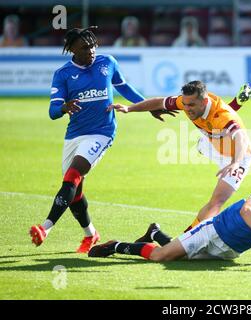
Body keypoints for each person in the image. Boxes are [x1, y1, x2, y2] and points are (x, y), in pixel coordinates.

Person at [28, 26, 175, 253]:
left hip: (102, 131)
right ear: (73, 50)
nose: (91, 51)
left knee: (72, 175)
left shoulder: (108, 62)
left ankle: (45, 228)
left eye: (93, 46)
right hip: (75, 134)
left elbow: (124, 86)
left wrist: (149, 107)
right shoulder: (63, 74)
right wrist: (63, 108)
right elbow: (52, 111)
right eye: (85, 48)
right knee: (74, 191)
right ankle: (91, 234)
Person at [89, 170, 251, 265]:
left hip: (228, 252)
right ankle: (116, 246)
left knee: (178, 258)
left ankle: (155, 232)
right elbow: (247, 210)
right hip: (214, 230)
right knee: (161, 257)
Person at [108, 81, 251, 232]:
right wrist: (129, 108)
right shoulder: (188, 102)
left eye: (190, 105)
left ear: (204, 101)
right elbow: (159, 102)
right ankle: (234, 105)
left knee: (217, 201)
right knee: (212, 131)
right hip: (212, 143)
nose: (186, 108)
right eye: (184, 104)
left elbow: (241, 138)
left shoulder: (223, 115)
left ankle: (188, 236)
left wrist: (236, 163)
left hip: (238, 155)